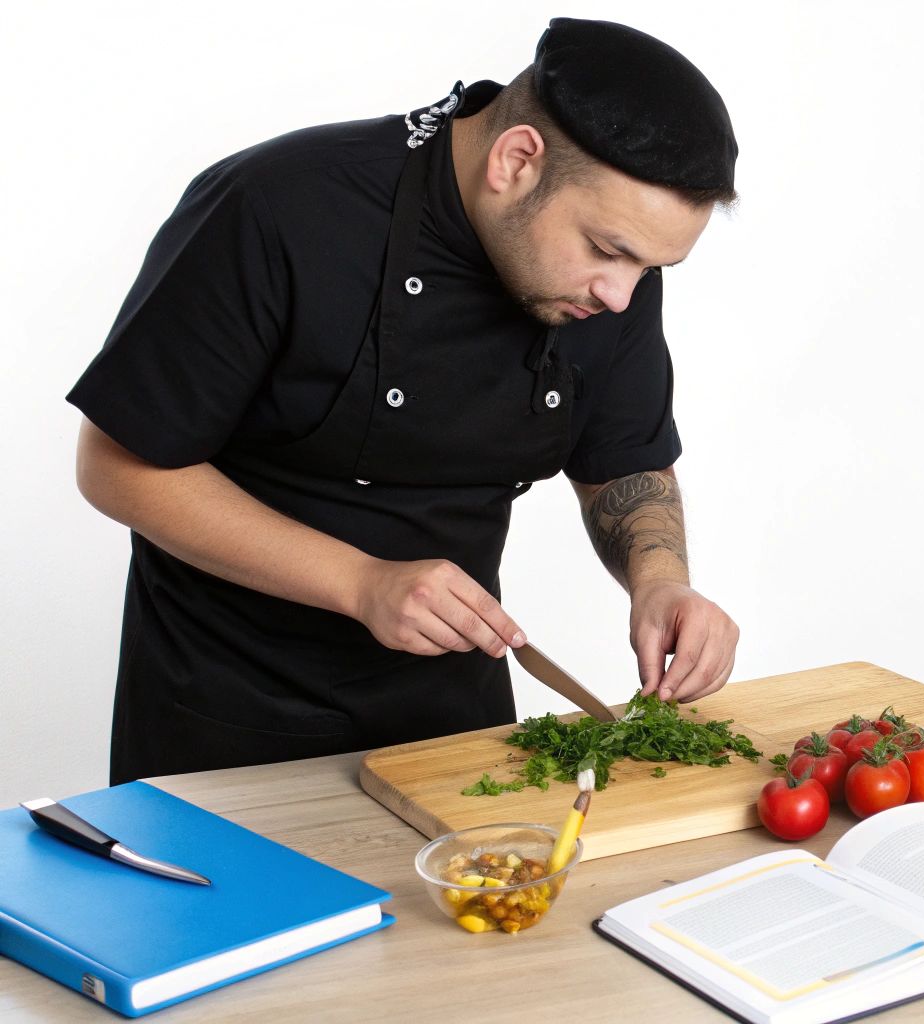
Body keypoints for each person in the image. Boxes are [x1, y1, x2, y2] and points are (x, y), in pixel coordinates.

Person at [67, 18, 742, 784]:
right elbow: (117, 465)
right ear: (516, 161)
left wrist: (660, 579)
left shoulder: (610, 282)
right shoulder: (278, 208)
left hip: (451, 725)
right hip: (227, 719)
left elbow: (622, 460)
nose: (621, 294)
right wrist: (361, 583)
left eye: (650, 269)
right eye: (607, 251)